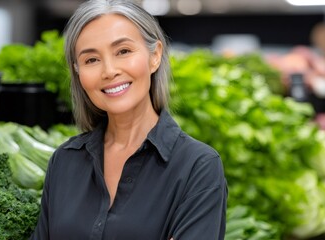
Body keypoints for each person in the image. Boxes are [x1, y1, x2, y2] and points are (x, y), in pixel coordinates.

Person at [30, 0, 227, 239]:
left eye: (123, 51)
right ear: (78, 71)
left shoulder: (198, 166)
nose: (109, 70)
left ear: (154, 56)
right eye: (91, 59)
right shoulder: (64, 161)